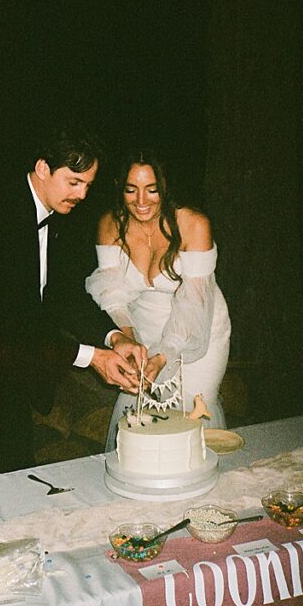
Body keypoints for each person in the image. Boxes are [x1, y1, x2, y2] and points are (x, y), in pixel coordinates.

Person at [0, 124, 147, 478]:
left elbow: (65, 296)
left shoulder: (58, 216)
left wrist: (114, 337)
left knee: (18, 481)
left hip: (16, 373)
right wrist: (93, 358)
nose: (82, 194)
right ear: (43, 168)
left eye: (88, 185)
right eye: (74, 182)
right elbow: (8, 323)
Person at [86, 150, 231, 450]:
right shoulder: (110, 225)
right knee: (136, 412)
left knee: (193, 413)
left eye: (151, 190)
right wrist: (128, 340)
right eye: (131, 190)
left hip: (197, 330)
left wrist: (162, 356)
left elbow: (193, 304)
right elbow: (111, 295)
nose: (141, 201)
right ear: (119, 187)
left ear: (164, 187)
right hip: (140, 327)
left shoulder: (193, 225)